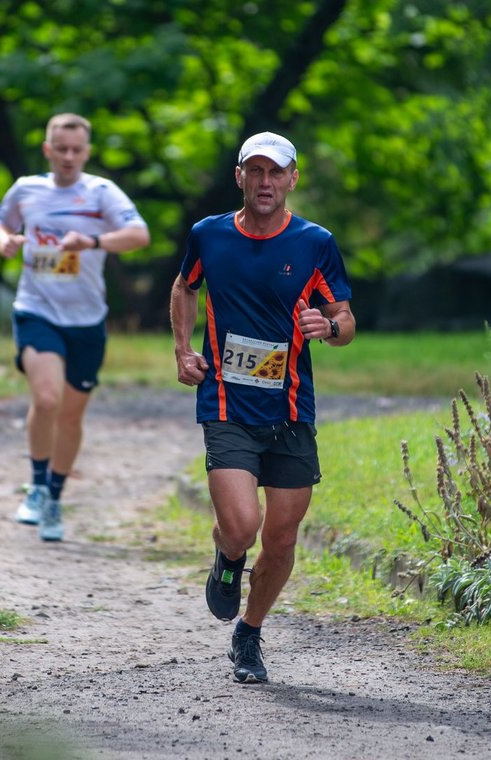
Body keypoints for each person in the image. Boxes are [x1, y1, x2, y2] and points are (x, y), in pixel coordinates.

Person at [169, 131, 355, 683]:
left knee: (281, 538)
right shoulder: (209, 235)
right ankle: (228, 559)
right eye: (255, 171)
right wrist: (182, 350)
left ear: (293, 178)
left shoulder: (315, 242)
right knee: (242, 526)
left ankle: (249, 632)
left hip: (291, 410)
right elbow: (184, 287)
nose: (265, 181)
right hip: (225, 402)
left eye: (276, 172)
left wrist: (329, 328)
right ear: (240, 177)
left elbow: (345, 320)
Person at [0, 113, 150, 542]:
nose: (68, 156)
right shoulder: (27, 188)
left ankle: (55, 497)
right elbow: (2, 221)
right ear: (47, 149)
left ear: (86, 152)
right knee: (46, 398)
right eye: (60, 148)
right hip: (36, 309)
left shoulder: (101, 193)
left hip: (87, 320)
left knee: (70, 413)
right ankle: (37, 486)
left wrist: (92, 242)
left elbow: (139, 235)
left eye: (76, 150)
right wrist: (5, 240)